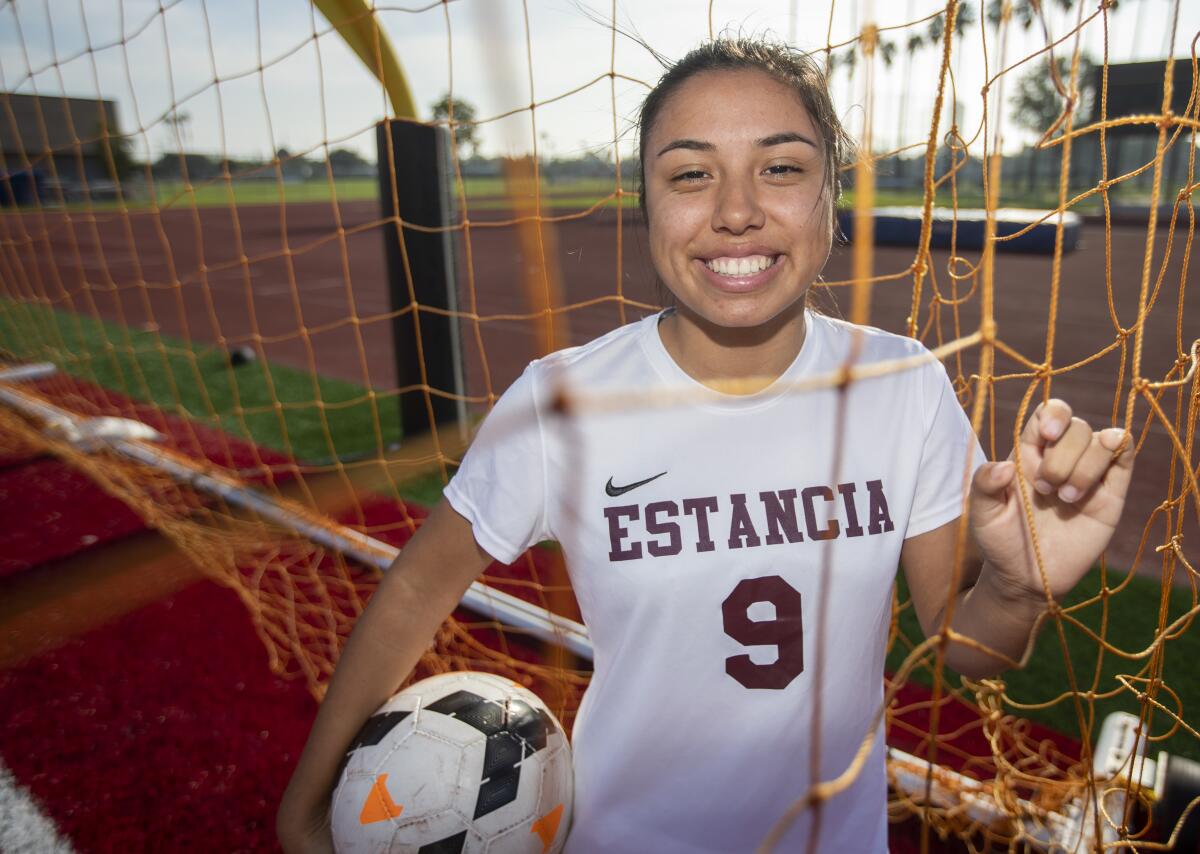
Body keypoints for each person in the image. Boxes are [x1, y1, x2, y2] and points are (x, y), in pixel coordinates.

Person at [277, 37, 1132, 853]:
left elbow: (963, 647)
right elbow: (417, 583)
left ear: (830, 194)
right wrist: (304, 809)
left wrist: (1017, 588)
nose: (735, 211)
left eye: (782, 168)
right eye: (691, 173)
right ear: (644, 202)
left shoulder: (903, 386)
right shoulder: (563, 399)